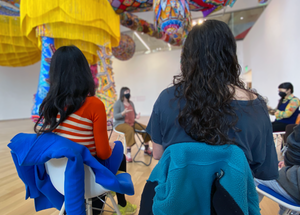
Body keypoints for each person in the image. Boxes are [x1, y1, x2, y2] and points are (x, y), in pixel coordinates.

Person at [139, 20, 278, 214]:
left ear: (187, 57)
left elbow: (158, 154)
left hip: (176, 205)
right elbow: (264, 170)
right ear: (231, 55)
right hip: (232, 205)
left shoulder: (167, 99)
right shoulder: (255, 106)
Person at [34, 46, 136, 215]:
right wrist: (109, 146)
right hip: (90, 180)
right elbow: (103, 154)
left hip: (59, 180)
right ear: (83, 72)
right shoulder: (94, 104)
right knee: (118, 149)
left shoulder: (47, 106)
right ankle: (121, 204)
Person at [256, 124, 300, 215]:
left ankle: (244, 211)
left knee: (251, 173)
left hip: (296, 187)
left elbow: (285, 114)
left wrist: (289, 164)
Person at [113, 87, 152, 162]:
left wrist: (136, 116)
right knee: (129, 130)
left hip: (132, 123)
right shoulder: (118, 103)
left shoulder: (131, 103)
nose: (128, 93)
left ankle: (146, 148)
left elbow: (134, 113)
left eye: (129, 91)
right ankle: (128, 153)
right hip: (120, 124)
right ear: (122, 93)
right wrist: (123, 113)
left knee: (145, 128)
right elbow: (115, 116)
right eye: (126, 92)